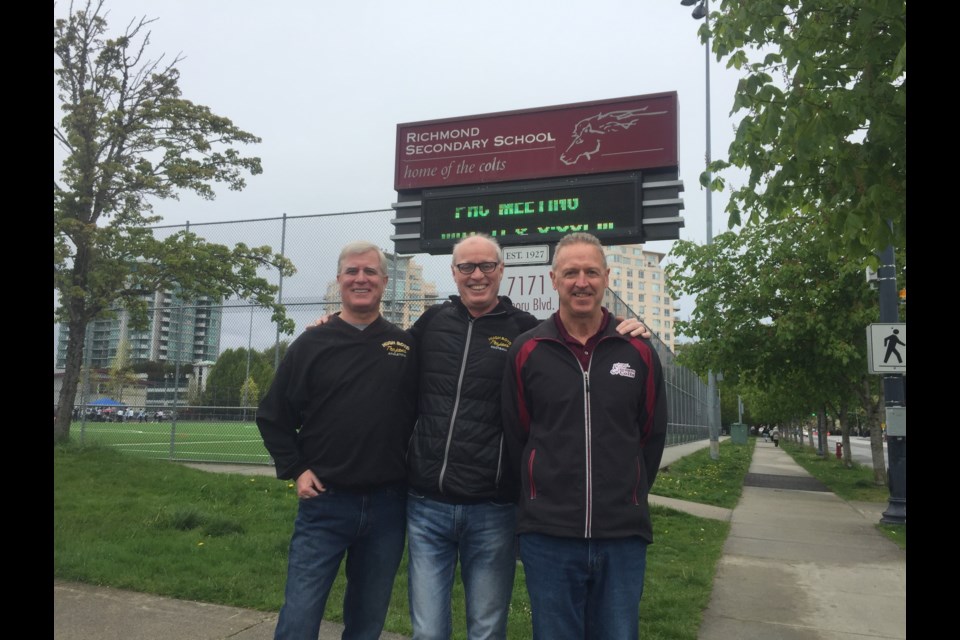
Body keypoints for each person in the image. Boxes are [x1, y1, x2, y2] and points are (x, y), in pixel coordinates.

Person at [311, 234, 650, 639]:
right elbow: (383, 351)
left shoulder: (528, 335)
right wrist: (336, 327)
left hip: (493, 509)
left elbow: (533, 419)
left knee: (487, 629)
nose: (477, 275)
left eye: (487, 266)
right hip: (426, 506)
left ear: (501, 271)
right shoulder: (431, 323)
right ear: (454, 272)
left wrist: (625, 326)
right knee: (428, 631)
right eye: (467, 267)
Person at [501, 232, 668, 640]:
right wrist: (540, 493)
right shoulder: (527, 349)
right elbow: (519, 432)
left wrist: (629, 493)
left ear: (606, 277)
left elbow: (651, 435)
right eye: (571, 272)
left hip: (621, 534)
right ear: (553, 279)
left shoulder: (638, 350)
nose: (582, 282)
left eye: (591, 272)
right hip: (549, 535)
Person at [256, 241, 418, 640]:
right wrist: (296, 469)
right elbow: (273, 416)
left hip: (388, 507)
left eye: (370, 272)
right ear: (340, 280)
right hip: (325, 503)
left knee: (367, 621)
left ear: (384, 282)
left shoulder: (407, 346)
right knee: (300, 616)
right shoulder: (311, 344)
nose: (361, 279)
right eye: (352, 272)